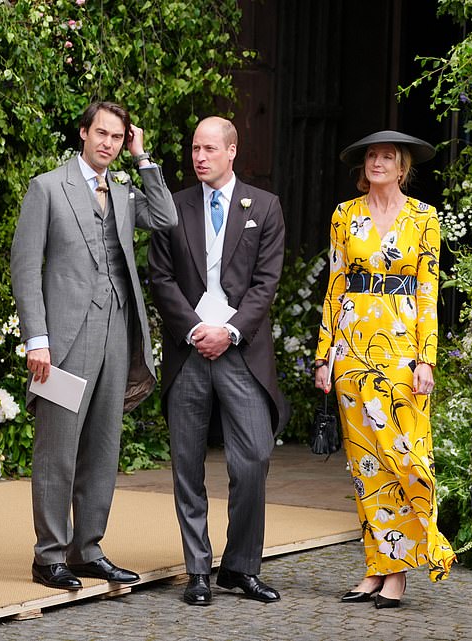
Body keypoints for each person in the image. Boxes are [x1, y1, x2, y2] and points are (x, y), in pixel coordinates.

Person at [11, 101, 177, 591]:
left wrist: (144, 158)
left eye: (118, 137)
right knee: (57, 450)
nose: (108, 144)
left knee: (103, 446)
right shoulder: (47, 187)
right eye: (101, 134)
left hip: (116, 335)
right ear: (83, 133)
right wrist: (36, 340)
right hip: (63, 340)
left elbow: (165, 217)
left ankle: (87, 549)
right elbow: (24, 267)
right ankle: (48, 556)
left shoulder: (125, 191)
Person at [148, 116, 288, 606]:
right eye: (194, 148)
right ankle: (198, 571)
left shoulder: (265, 206)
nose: (199, 157)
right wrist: (192, 329)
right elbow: (161, 277)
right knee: (187, 466)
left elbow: (266, 282)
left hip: (241, 353)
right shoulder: (174, 205)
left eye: (209, 148)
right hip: (188, 352)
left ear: (232, 151)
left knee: (252, 461)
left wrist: (227, 331)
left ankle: (241, 567)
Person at [313, 130, 456, 609]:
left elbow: (428, 292)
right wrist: (323, 354)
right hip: (352, 353)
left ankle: (414, 557)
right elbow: (334, 286)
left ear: (403, 167)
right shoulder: (344, 215)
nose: (378, 162)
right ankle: (380, 567)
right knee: (365, 466)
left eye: (387, 156)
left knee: (405, 459)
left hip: (401, 353)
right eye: (371, 155)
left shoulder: (424, 217)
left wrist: (426, 359)